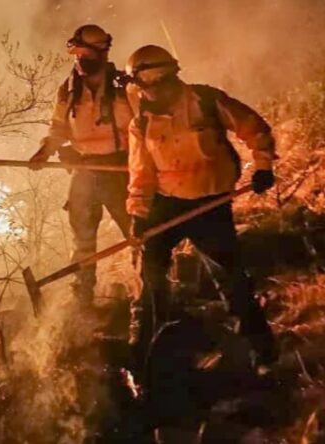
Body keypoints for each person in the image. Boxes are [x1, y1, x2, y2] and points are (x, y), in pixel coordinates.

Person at [124, 45, 278, 370]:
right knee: (148, 274)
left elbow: (254, 127)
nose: (154, 93)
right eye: (147, 87)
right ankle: (145, 351)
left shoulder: (207, 101)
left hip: (210, 202)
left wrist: (263, 165)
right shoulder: (141, 123)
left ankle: (260, 352)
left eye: (160, 84)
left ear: (172, 77)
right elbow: (141, 174)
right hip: (166, 202)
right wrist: (138, 214)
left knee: (230, 277)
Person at [30, 24, 134, 305]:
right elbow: (59, 128)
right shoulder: (68, 90)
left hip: (120, 170)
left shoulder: (124, 87)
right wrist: (45, 151)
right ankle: (83, 297)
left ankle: (149, 293)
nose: (80, 59)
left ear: (102, 53)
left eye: (85, 54)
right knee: (83, 239)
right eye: (77, 54)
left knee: (138, 234)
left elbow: (144, 127)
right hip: (85, 170)